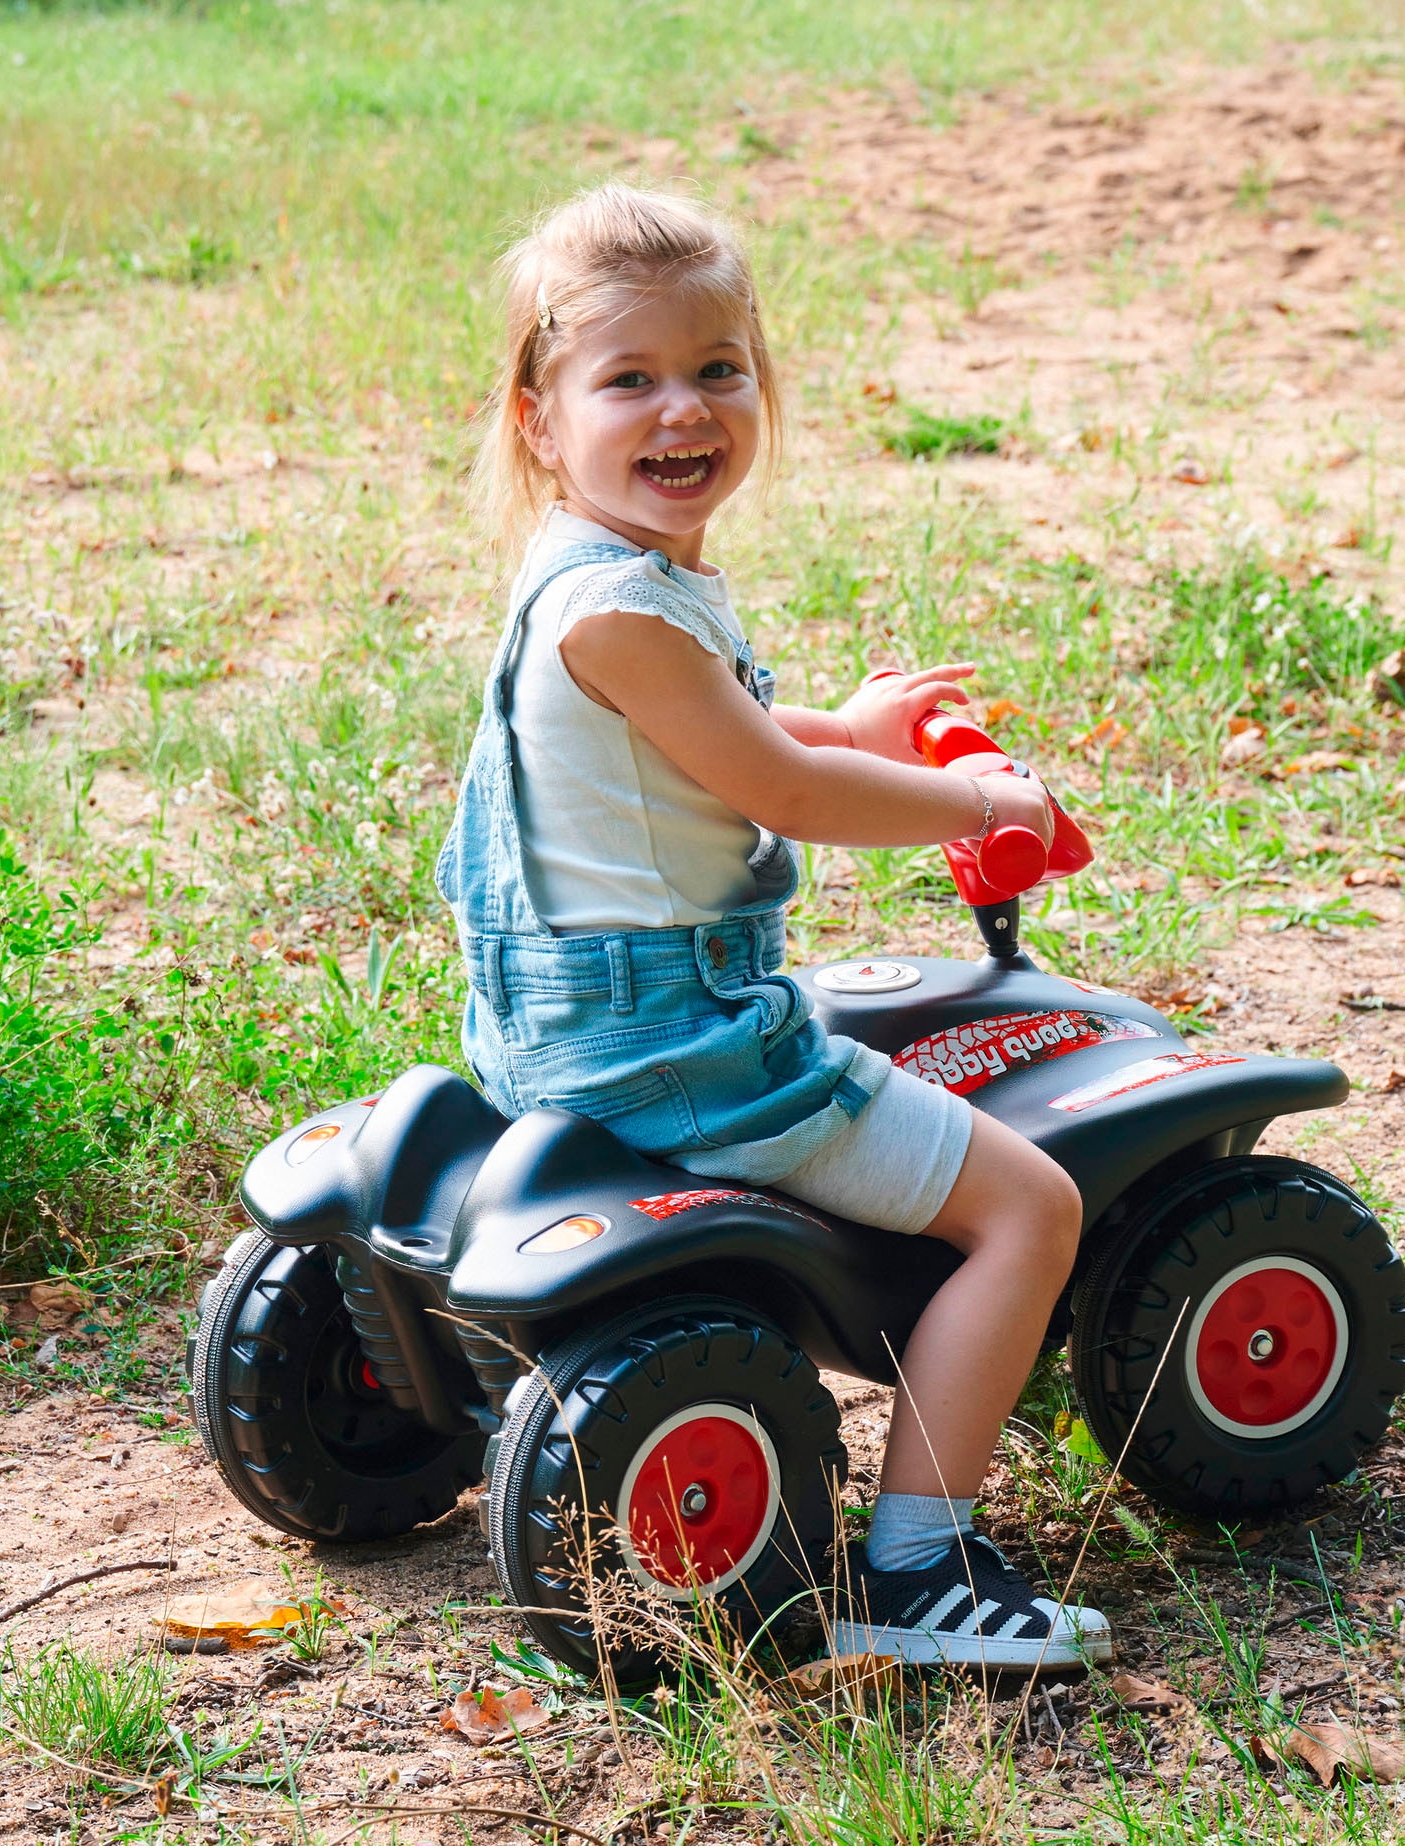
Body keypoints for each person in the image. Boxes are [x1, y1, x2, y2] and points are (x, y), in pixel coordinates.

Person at [436, 182, 1107, 1667]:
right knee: (1031, 1208)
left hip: (553, 1025)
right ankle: (925, 1565)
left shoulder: (586, 569)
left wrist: (856, 721)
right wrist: (973, 804)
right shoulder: (624, 608)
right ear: (542, 418)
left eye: (717, 367)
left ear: (760, 381)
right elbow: (783, 787)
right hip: (678, 1045)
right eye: (631, 379)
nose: (684, 407)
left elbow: (712, 729)